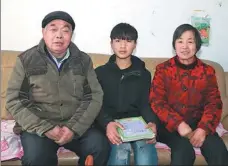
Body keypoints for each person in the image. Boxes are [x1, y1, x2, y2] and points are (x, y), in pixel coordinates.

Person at [6, 11, 110, 166]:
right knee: (35, 158)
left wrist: (73, 128)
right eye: (53, 29)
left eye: (65, 30)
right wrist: (46, 127)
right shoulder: (26, 60)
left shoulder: (83, 60)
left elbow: (94, 96)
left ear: (71, 35)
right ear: (43, 32)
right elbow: (14, 100)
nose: (59, 35)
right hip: (39, 127)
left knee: (99, 147)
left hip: (75, 124)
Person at [149, 23, 228, 165]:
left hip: (199, 122)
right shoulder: (163, 70)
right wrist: (178, 124)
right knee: (183, 151)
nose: (185, 46)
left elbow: (214, 103)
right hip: (169, 126)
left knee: (218, 150)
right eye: (180, 41)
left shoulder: (207, 71)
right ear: (174, 45)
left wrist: (203, 128)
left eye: (190, 42)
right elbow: (157, 102)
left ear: (197, 45)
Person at [95, 23, 158, 165]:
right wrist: (107, 124)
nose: (123, 46)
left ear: (135, 44)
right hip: (112, 123)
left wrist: (152, 122)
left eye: (128, 41)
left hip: (137, 125)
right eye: (118, 41)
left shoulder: (144, 74)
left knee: (145, 154)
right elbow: (96, 104)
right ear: (111, 43)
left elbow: (145, 104)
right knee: (120, 152)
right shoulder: (100, 73)